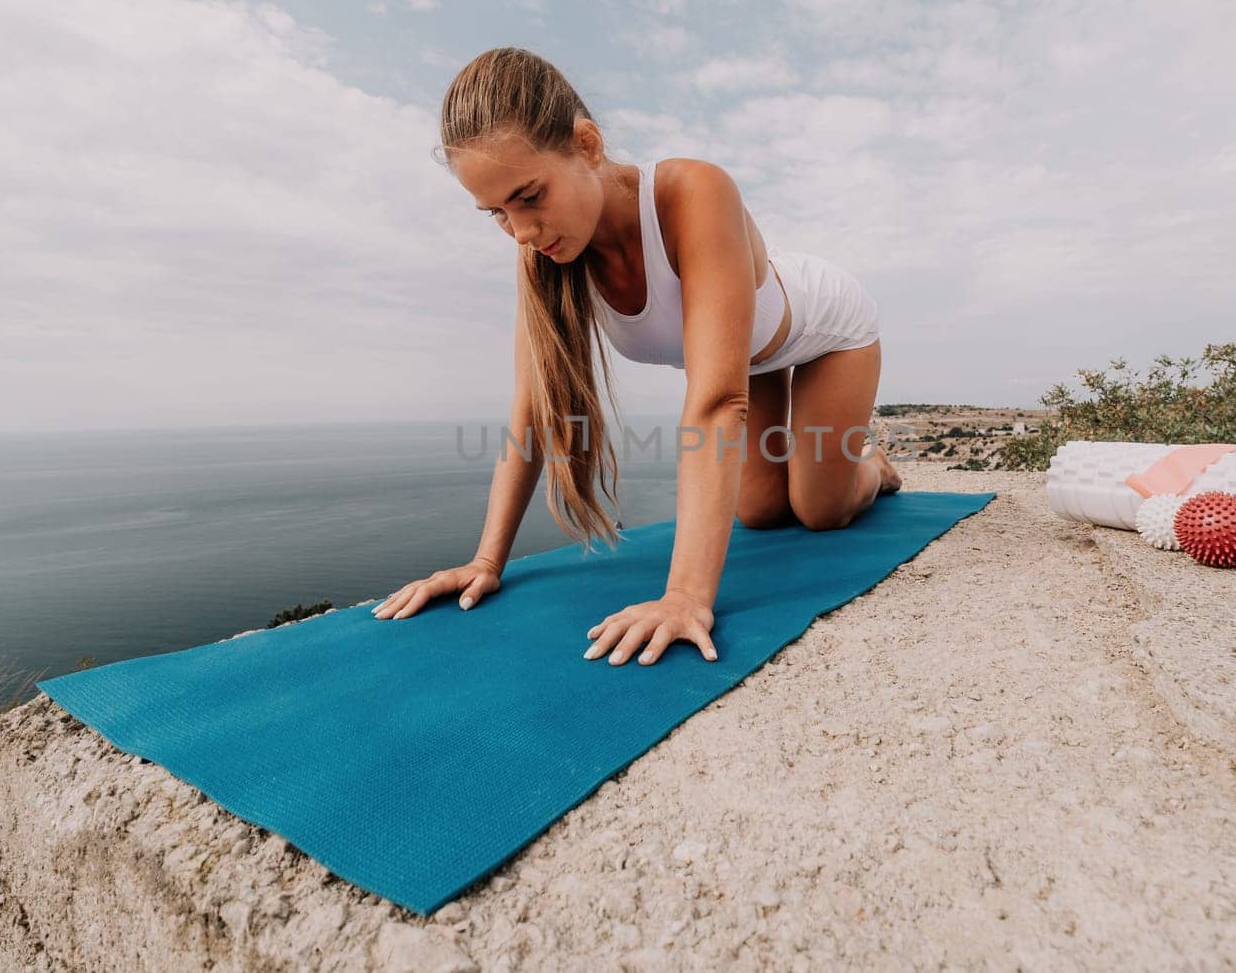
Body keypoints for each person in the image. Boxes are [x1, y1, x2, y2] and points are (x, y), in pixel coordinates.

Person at [373, 47, 900, 668]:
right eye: (498, 213)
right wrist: (486, 562)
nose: (521, 231)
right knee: (758, 512)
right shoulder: (544, 254)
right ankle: (826, 455)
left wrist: (685, 598)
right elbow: (534, 408)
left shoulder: (692, 191)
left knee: (820, 511)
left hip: (830, 331)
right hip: (752, 357)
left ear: (587, 145)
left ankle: (875, 465)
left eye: (530, 196)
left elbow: (715, 402)